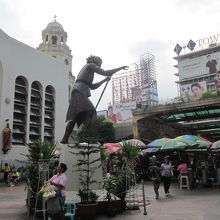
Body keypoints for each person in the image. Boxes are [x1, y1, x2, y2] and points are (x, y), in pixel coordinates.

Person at [61, 56, 128, 144]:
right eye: (100, 63)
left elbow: (92, 86)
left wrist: (104, 80)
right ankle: (93, 139)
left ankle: (64, 139)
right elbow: (105, 72)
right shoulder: (90, 65)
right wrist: (120, 68)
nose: (100, 66)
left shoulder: (88, 71)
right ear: (96, 61)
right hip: (80, 91)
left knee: (75, 117)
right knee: (92, 113)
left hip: (78, 91)